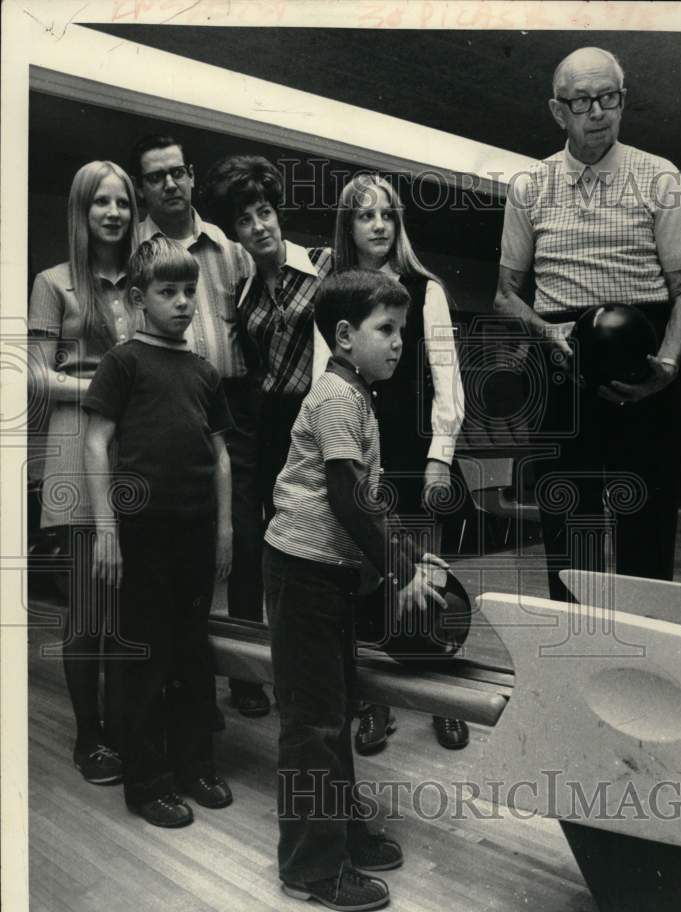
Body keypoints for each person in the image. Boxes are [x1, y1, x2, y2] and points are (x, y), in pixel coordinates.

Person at [263, 267, 447, 910]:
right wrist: (400, 572)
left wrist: (406, 556)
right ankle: (311, 868)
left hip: (326, 578)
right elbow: (346, 499)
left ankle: (340, 833)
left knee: (333, 714)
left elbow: (368, 500)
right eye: (386, 329)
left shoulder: (356, 396)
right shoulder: (337, 398)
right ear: (344, 336)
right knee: (313, 724)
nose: (399, 342)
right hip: (302, 576)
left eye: (402, 330)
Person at [494, 47, 681, 598]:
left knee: (648, 526)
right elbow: (505, 296)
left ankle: (648, 643)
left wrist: (667, 366)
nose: (597, 113)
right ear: (557, 111)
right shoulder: (529, 185)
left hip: (645, 353)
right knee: (570, 534)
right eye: (582, 101)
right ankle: (576, 641)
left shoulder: (659, 176)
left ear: (623, 101)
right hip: (563, 356)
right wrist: (546, 330)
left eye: (608, 98)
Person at [82, 236, 234, 828]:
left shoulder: (204, 372)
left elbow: (221, 456)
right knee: (144, 657)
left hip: (195, 532)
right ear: (139, 299)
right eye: (167, 292)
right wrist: (106, 530)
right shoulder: (123, 362)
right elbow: (97, 443)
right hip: (141, 534)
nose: (182, 302)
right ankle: (147, 782)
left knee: (192, 652)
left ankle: (195, 765)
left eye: (189, 291)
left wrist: (225, 528)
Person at [129, 135, 267, 721]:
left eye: (177, 172)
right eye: (155, 176)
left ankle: (246, 677)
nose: (169, 183)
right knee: (176, 546)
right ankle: (181, 678)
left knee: (243, 538)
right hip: (164, 401)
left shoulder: (231, 250)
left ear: (191, 176)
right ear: (143, 189)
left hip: (230, 405)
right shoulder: (136, 251)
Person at [333, 173, 468, 754]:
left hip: (416, 453)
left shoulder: (424, 288)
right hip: (362, 454)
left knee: (427, 580)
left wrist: (440, 457)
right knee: (372, 581)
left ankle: (442, 700)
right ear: (349, 226)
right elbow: (325, 380)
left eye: (387, 214)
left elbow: (447, 380)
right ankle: (376, 705)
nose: (379, 225)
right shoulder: (336, 291)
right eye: (366, 216)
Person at [28, 160, 140, 785]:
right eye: (101, 201)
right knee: (89, 605)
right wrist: (103, 390)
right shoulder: (52, 282)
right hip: (76, 441)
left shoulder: (142, 280)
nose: (114, 212)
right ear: (81, 209)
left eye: (122, 202)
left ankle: (123, 723)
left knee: (126, 601)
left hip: (136, 444)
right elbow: (34, 377)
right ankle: (88, 736)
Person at [200, 154, 333, 640]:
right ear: (234, 232)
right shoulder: (244, 293)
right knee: (263, 539)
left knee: (311, 535)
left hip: (317, 414)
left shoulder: (324, 263)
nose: (258, 227)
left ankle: (310, 644)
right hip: (269, 424)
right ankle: (259, 652)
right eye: (244, 220)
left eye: (264, 213)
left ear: (278, 213)